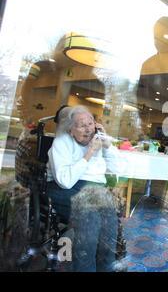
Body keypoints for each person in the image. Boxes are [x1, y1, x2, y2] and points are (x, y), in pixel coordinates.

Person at [46, 105, 124, 272]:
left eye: (91, 123)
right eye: (82, 125)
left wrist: (108, 146)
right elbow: (65, 181)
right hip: (64, 189)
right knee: (91, 219)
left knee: (109, 222)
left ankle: (106, 269)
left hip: (93, 191)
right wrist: (89, 154)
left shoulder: (99, 140)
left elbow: (118, 168)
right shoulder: (61, 143)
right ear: (70, 130)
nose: (88, 129)